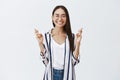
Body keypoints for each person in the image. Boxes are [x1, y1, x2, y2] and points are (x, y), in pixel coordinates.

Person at [35, 5, 82, 80]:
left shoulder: (72, 37)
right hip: (51, 75)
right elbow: (46, 62)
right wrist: (40, 43)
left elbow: (74, 62)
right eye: (57, 15)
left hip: (67, 75)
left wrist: (78, 43)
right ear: (52, 17)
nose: (60, 19)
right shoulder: (46, 37)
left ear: (67, 18)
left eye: (63, 16)